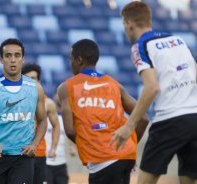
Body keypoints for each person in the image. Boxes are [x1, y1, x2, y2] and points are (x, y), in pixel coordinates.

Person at [111, 2, 197, 184]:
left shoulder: (141, 46)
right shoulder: (178, 41)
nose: (125, 30)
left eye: (124, 25)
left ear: (129, 23)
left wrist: (129, 126)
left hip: (169, 121)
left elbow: (152, 87)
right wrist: (187, 102)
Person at [57, 39, 149, 184]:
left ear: (79, 60)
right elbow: (143, 118)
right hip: (126, 156)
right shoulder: (114, 84)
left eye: (71, 59)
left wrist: (92, 146)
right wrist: (126, 148)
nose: (70, 63)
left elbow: (69, 130)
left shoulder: (67, 87)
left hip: (102, 159)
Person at [0, 38, 47, 184]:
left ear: (23, 59)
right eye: (8, 56)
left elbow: (43, 120)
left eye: (17, 55)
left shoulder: (35, 87)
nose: (13, 60)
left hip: (22, 158)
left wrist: (34, 144)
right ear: (1, 59)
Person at [22, 63, 60, 184]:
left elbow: (56, 126)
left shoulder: (48, 103)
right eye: (27, 79)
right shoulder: (15, 101)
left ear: (38, 81)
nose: (30, 82)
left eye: (33, 78)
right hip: (19, 154)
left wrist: (53, 148)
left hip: (39, 154)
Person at [45, 92, 77, 184]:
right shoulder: (45, 119)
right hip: (47, 162)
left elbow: (69, 133)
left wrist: (72, 147)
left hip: (61, 162)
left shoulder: (65, 119)